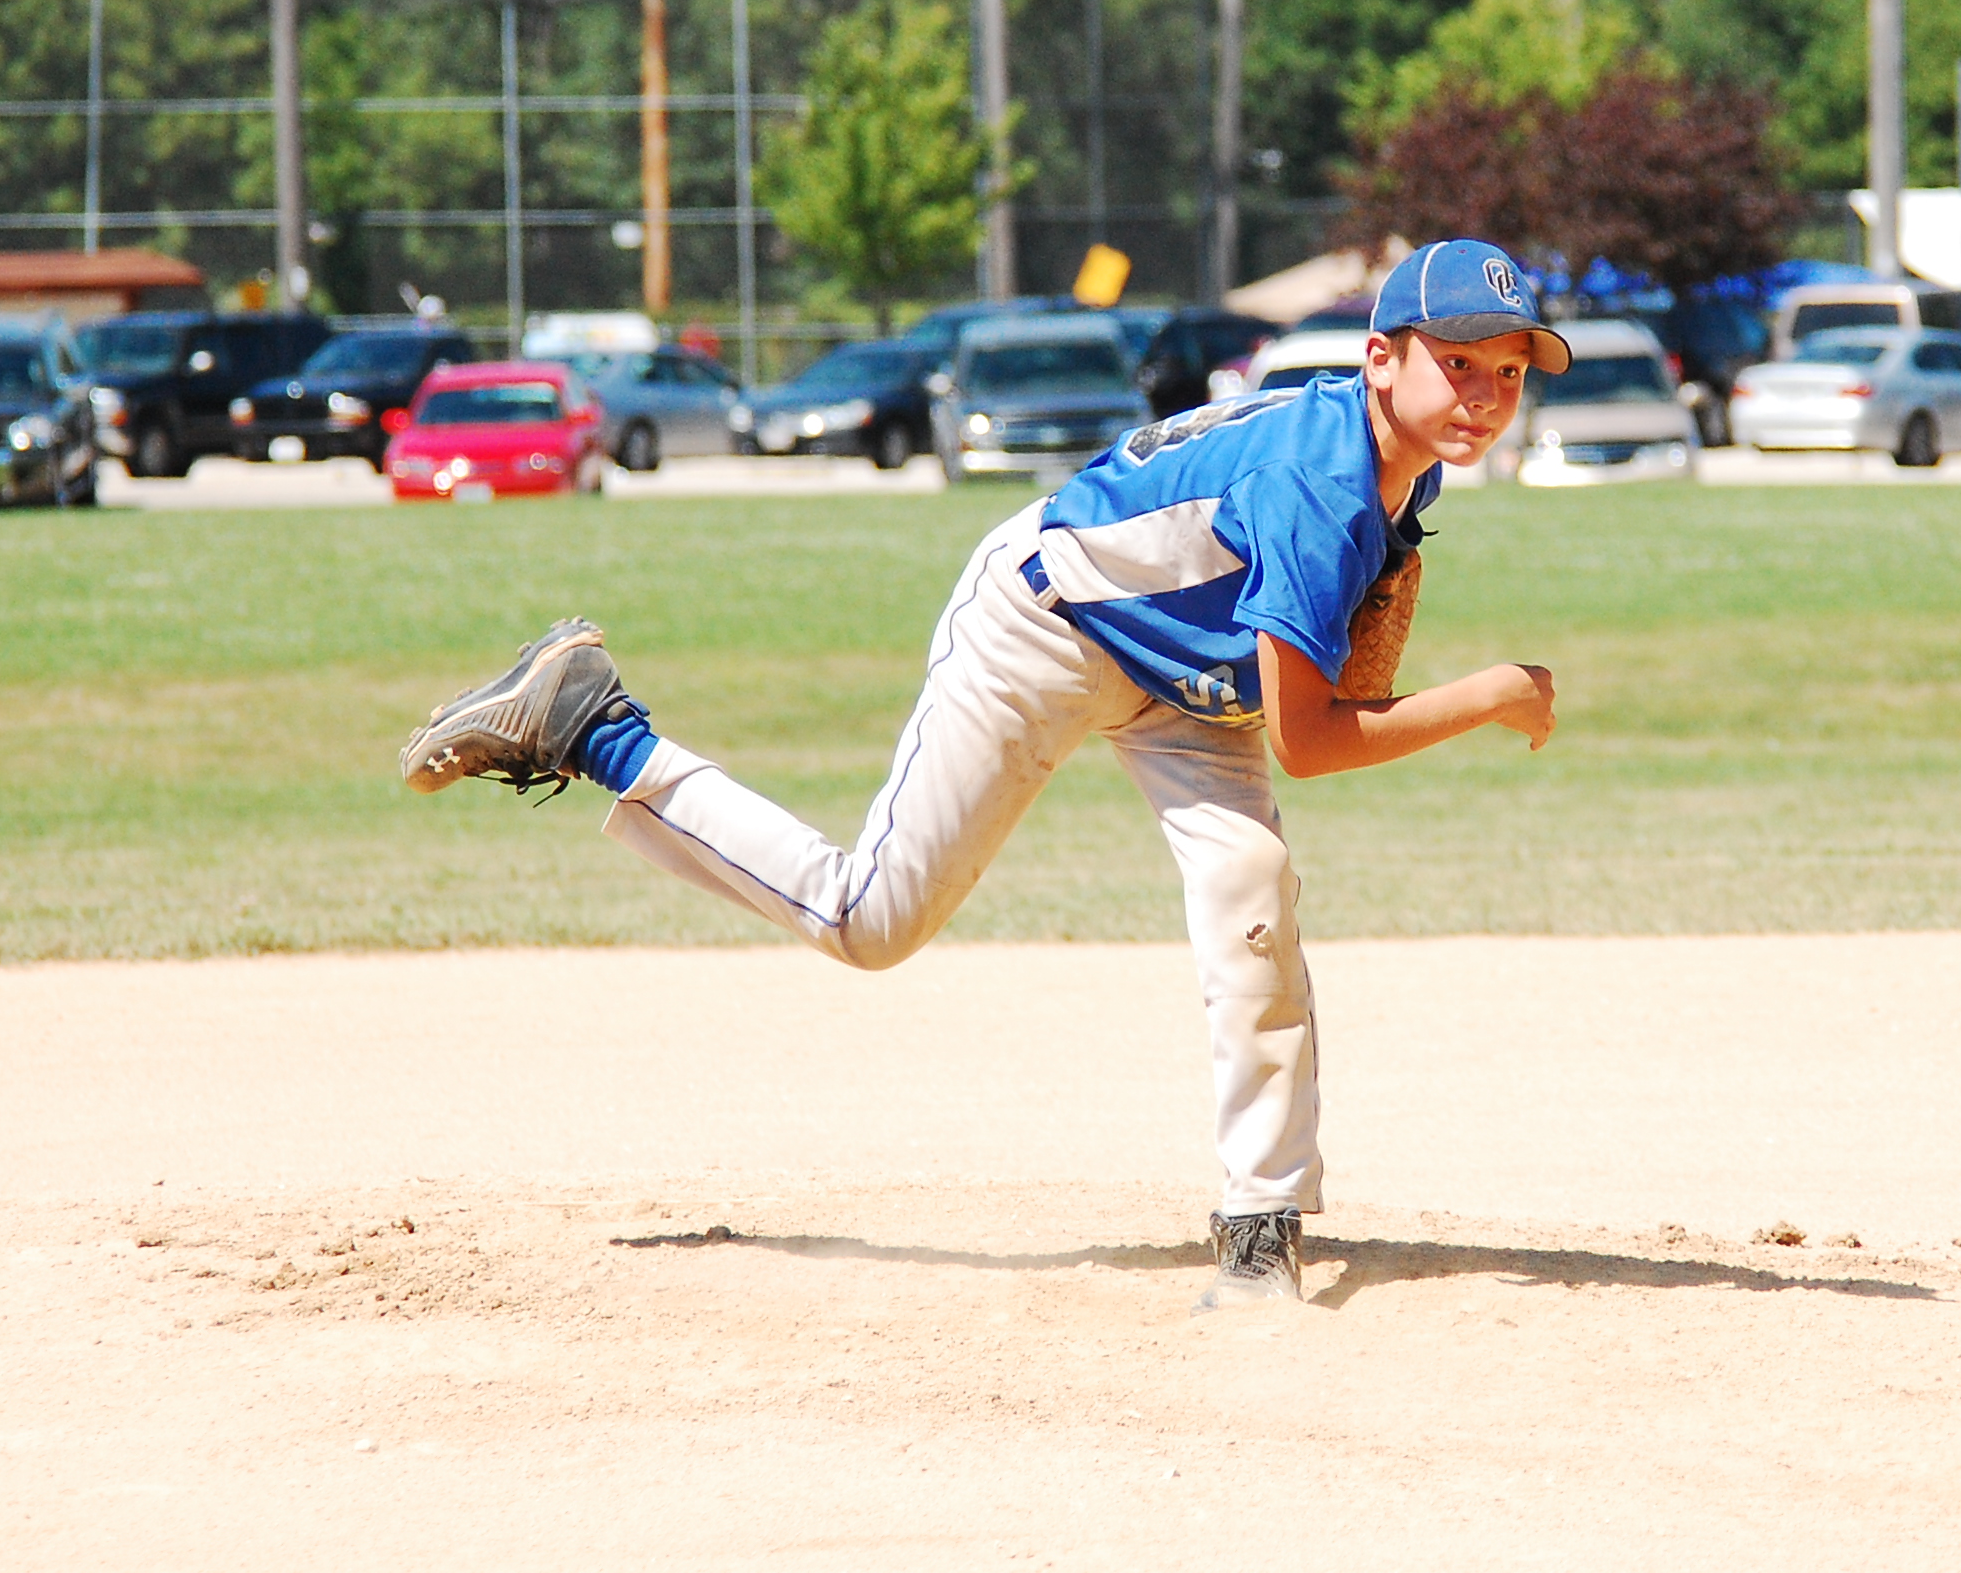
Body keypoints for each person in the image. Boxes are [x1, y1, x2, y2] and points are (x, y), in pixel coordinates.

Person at [398, 239, 1567, 1308]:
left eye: (1509, 372)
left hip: (1184, 673)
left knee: (1248, 884)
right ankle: (595, 725)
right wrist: (1494, 692)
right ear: (1379, 357)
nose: (1482, 393)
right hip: (1045, 628)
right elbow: (1307, 743)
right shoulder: (1318, 484)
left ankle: (1259, 1223)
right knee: (869, 919)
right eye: (1457, 360)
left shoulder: (1394, 456)